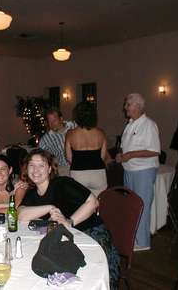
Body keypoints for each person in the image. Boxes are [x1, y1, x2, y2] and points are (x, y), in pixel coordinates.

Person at [18, 149, 119, 289]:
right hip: (65, 241)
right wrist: (49, 207)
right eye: (31, 165)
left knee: (92, 277)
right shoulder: (32, 193)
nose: (36, 170)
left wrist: (69, 222)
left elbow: (93, 202)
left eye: (41, 165)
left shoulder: (62, 183)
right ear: (26, 169)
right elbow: (21, 214)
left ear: (49, 169)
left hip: (91, 232)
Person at [116, 93, 160, 251]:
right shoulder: (130, 124)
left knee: (141, 205)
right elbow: (126, 145)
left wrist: (130, 155)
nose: (125, 107)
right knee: (131, 205)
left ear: (137, 106)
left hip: (143, 171)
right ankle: (133, 237)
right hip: (129, 169)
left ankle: (143, 242)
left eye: (128, 104)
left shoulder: (148, 124)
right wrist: (122, 154)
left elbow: (155, 151)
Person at [65, 101, 109, 197]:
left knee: (81, 204)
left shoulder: (70, 133)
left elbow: (69, 158)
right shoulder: (101, 133)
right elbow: (103, 156)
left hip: (78, 173)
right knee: (98, 204)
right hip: (98, 173)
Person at [39, 107, 76, 176]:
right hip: (64, 169)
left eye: (54, 120)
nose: (52, 124)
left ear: (61, 119)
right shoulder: (46, 138)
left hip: (80, 167)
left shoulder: (73, 126)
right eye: (49, 121)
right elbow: (40, 155)